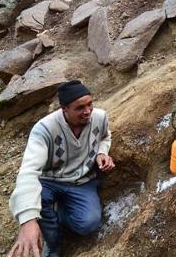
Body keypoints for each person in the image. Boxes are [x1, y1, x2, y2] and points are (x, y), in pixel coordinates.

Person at [7, 80, 115, 257]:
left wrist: (102, 152)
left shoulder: (100, 117)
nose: (87, 111)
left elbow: (105, 136)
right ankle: (52, 242)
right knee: (40, 197)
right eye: (80, 108)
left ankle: (60, 212)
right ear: (64, 108)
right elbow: (28, 171)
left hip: (82, 181)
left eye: (90, 104)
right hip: (50, 181)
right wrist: (27, 219)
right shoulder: (44, 130)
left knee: (89, 224)